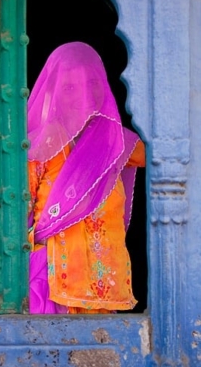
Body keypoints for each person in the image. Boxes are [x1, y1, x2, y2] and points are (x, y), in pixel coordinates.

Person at [27, 42, 145, 314]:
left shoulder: (115, 144)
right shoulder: (42, 146)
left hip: (101, 289)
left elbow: (166, 159)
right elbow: (20, 218)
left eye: (92, 82)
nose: (84, 95)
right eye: (70, 87)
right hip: (52, 286)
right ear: (53, 91)